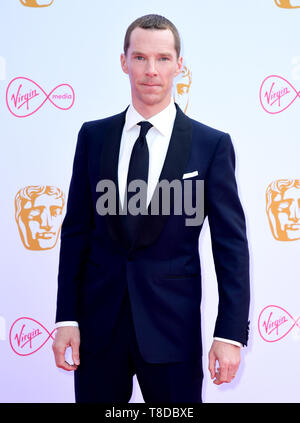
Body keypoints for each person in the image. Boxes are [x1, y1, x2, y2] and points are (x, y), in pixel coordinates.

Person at [52, 14, 250, 403]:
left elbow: (231, 248)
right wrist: (66, 318)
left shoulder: (211, 145)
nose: (151, 70)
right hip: (98, 330)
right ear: (124, 62)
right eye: (140, 57)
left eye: (162, 59)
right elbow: (75, 232)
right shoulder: (93, 137)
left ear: (179, 64)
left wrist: (229, 334)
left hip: (172, 332)